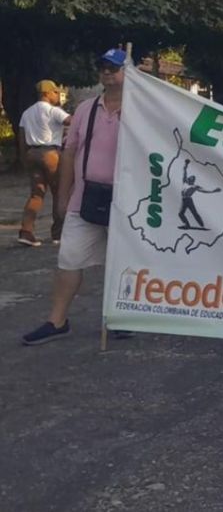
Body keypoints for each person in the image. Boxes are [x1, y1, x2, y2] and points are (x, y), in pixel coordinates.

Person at [22, 49, 126, 345]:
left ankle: (120, 317)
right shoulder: (86, 109)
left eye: (114, 68)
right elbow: (69, 153)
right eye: (103, 67)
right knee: (69, 259)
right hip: (86, 198)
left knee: (121, 262)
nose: (107, 72)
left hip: (126, 201)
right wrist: (64, 196)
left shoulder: (140, 110)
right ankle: (57, 320)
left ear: (127, 73)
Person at [17, 79, 71, 247]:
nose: (57, 95)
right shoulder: (53, 111)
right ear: (47, 93)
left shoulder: (27, 113)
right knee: (59, 192)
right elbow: (73, 122)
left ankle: (26, 231)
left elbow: (21, 137)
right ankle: (59, 234)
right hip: (50, 153)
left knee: (36, 194)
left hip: (31, 153)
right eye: (55, 92)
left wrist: (24, 157)